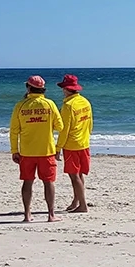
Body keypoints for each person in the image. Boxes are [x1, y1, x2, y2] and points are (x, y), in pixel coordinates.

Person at [10, 75, 64, 222]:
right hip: (46, 150)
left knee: (27, 182)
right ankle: (51, 214)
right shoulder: (50, 104)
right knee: (49, 182)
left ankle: (27, 214)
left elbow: (14, 130)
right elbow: (60, 126)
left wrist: (14, 150)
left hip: (27, 151)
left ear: (28, 88)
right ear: (43, 89)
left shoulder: (20, 106)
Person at [55, 74, 93, 212]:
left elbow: (64, 130)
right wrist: (86, 137)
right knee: (79, 174)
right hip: (84, 142)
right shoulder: (85, 101)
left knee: (74, 175)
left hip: (72, 144)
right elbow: (90, 124)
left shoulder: (68, 106)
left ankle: (83, 205)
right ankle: (76, 201)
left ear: (66, 89)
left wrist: (58, 147)